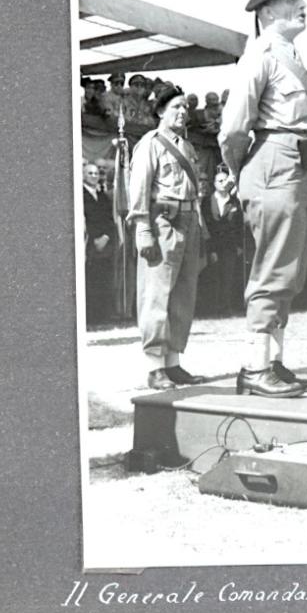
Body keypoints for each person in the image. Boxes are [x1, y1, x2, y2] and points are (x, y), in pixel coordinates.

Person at [218, 0, 307, 398]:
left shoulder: (289, 56)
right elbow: (233, 128)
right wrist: (241, 172)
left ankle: (273, 362)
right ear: (268, 12)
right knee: (273, 269)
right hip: (275, 162)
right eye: (293, 0)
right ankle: (254, 368)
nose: (303, 5)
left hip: (300, 165)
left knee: (290, 270)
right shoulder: (260, 55)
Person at [128, 83, 208, 389]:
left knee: (183, 294)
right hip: (163, 221)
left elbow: (195, 192)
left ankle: (173, 363)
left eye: (185, 106)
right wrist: (143, 229)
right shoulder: (150, 144)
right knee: (156, 294)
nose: (183, 112)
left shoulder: (187, 147)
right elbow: (139, 187)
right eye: (176, 106)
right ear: (160, 111)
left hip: (189, 220)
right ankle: (154, 367)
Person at [201, 165, 245, 316]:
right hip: (212, 245)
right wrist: (210, 248)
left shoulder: (235, 202)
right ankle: (211, 308)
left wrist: (239, 245)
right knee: (211, 276)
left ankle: (225, 308)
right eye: (220, 181)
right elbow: (205, 225)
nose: (223, 183)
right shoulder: (207, 202)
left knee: (228, 276)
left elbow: (239, 225)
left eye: (225, 180)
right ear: (214, 184)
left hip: (229, 246)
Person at [82, 161, 116, 326]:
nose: (94, 176)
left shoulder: (103, 196)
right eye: (90, 173)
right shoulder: (80, 195)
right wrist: (95, 239)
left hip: (105, 244)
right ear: (83, 175)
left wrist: (106, 237)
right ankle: (91, 317)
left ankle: (103, 315)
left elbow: (110, 220)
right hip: (90, 243)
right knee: (91, 280)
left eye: (96, 173)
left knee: (103, 278)